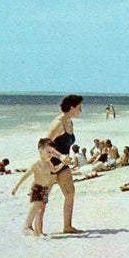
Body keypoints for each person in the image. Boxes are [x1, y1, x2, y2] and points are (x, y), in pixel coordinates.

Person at [12, 138, 68, 237]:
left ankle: (38, 231)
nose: (50, 154)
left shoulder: (49, 163)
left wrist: (62, 164)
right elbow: (25, 175)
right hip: (37, 188)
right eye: (48, 151)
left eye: (52, 152)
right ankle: (29, 229)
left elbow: (54, 170)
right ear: (40, 150)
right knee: (35, 208)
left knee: (41, 209)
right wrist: (16, 187)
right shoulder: (36, 164)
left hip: (45, 190)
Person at [45, 94, 83, 234]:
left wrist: (64, 158)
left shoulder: (69, 122)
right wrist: (60, 156)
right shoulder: (58, 123)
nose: (81, 110)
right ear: (72, 107)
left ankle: (67, 226)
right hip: (50, 163)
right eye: (79, 107)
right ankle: (34, 228)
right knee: (42, 197)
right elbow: (44, 145)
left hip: (63, 164)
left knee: (70, 193)